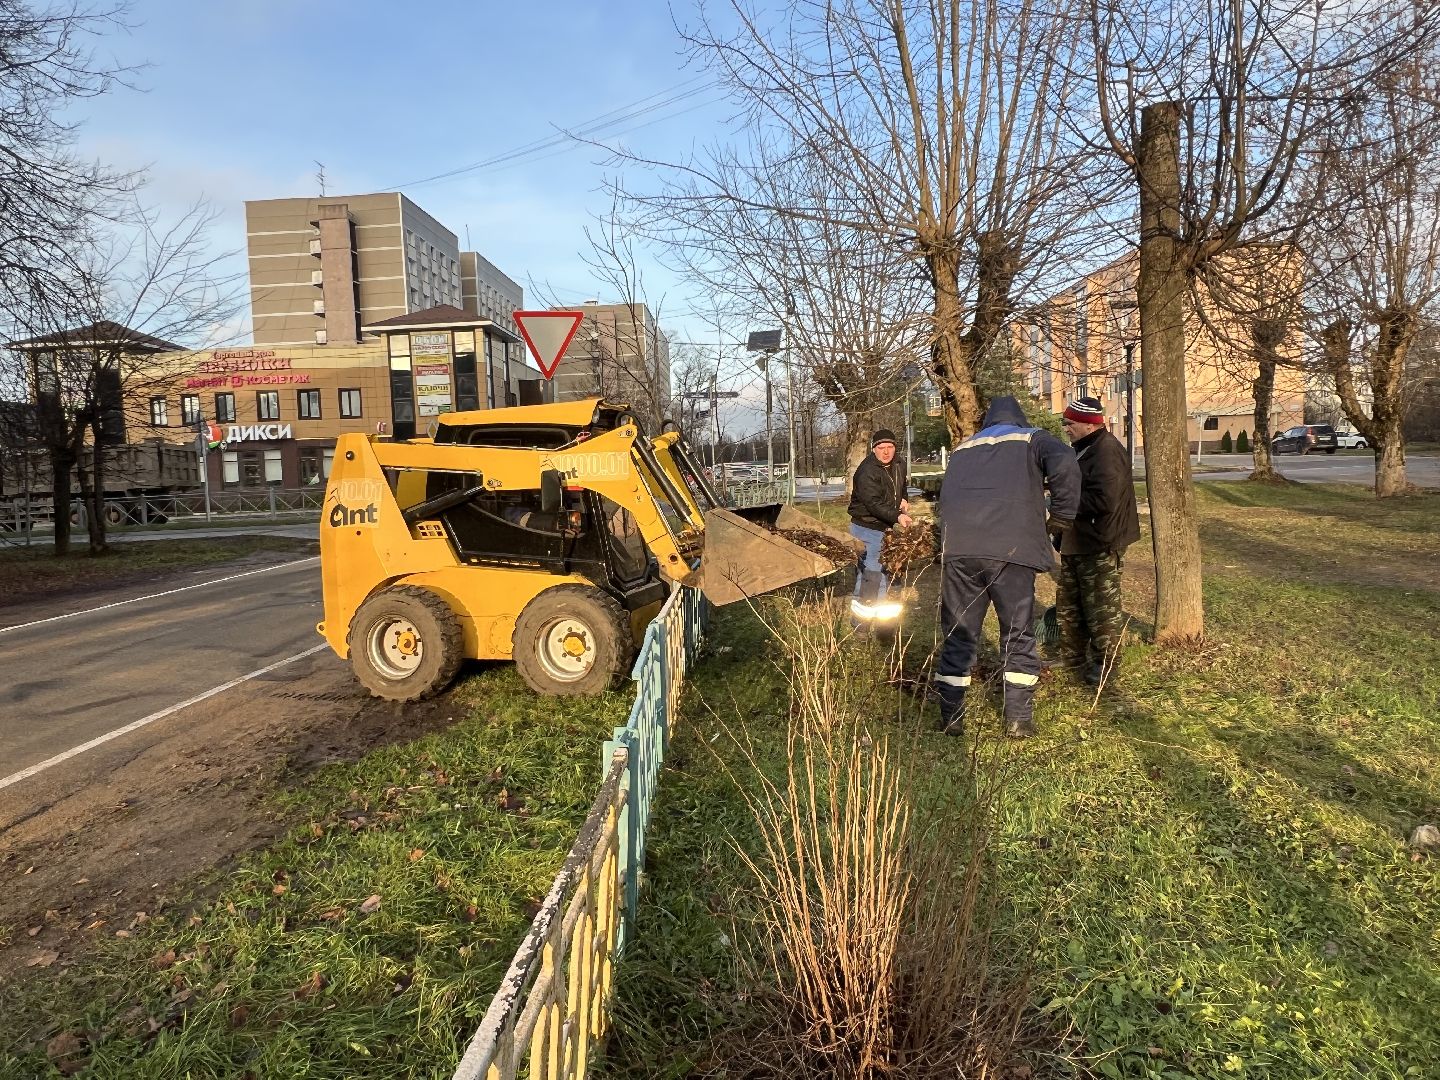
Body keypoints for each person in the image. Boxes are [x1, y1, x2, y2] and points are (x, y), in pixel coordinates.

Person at [934, 397, 1079, 738]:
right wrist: (1061, 516)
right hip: (1010, 553)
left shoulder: (963, 448)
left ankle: (951, 717)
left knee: (958, 631)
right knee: (1016, 632)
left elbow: (947, 498)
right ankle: (1017, 720)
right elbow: (1066, 461)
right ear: (1019, 418)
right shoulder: (1032, 438)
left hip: (959, 551)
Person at [1056, 396, 1141, 687]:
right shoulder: (1085, 449)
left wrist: (1060, 502)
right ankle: (1074, 658)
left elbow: (1104, 499)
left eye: (1069, 423)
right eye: (1064, 423)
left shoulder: (1106, 452)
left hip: (1100, 542)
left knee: (1101, 608)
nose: (1066, 428)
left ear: (1088, 424)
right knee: (1070, 603)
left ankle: (1107, 664)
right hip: (1076, 540)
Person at [847, 428, 913, 625]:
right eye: (881, 447)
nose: (886, 452)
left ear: (895, 448)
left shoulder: (899, 463)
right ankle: (860, 625)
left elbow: (901, 485)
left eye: (890, 447)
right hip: (867, 527)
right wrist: (897, 516)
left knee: (888, 574)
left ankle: (885, 624)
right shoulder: (866, 471)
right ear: (873, 449)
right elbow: (873, 504)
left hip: (886, 527)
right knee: (871, 576)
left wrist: (903, 498)